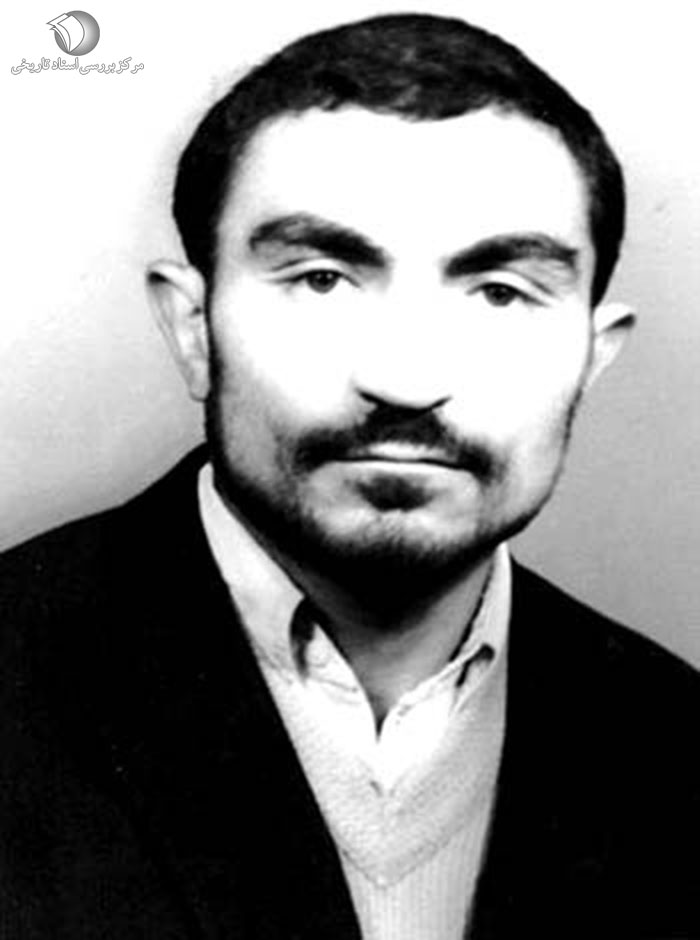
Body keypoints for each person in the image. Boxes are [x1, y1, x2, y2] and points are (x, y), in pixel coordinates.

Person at [0, 12, 697, 940]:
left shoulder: (680, 744)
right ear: (194, 330)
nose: (405, 380)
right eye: (322, 278)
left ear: (591, 358)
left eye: (501, 292)